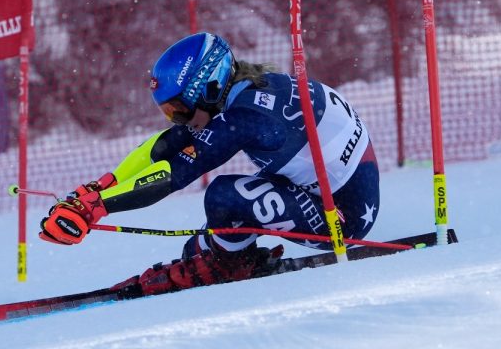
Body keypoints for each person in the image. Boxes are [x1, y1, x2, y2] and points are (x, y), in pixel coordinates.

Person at [39, 32, 379, 295]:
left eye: (180, 109)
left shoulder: (245, 116)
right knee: (200, 244)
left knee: (223, 196)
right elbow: (172, 143)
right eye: (170, 112)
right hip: (326, 193)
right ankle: (225, 258)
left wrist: (95, 209)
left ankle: (228, 268)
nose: (179, 120)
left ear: (211, 85)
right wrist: (103, 186)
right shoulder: (247, 92)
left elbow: (176, 173)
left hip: (341, 219)